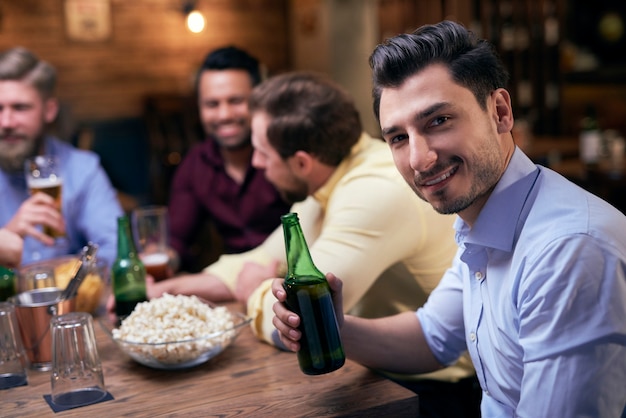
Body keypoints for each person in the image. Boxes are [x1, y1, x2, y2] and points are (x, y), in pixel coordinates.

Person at [272, 21, 626, 417]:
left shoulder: (570, 250)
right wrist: (333, 326)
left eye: (438, 121)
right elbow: (431, 337)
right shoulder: (484, 217)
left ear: (500, 112)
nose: (418, 160)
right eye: (398, 138)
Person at [145, 71, 477, 406]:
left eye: (261, 152)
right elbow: (260, 259)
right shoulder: (329, 178)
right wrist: (166, 290)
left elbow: (305, 321)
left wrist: (253, 291)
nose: (256, 163)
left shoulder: (373, 190)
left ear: (302, 162)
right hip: (375, 366)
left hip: (430, 388)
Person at [167, 46, 290, 273]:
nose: (224, 115)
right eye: (212, 104)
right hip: (233, 283)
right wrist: (164, 262)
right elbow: (176, 240)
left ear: (259, 99)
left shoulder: (288, 153)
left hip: (293, 278)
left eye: (236, 101)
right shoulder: (196, 164)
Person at [0, 47, 123, 266]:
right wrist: (5, 239)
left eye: (20, 108)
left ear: (49, 110)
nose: (6, 122)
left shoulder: (82, 169)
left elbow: (115, 249)